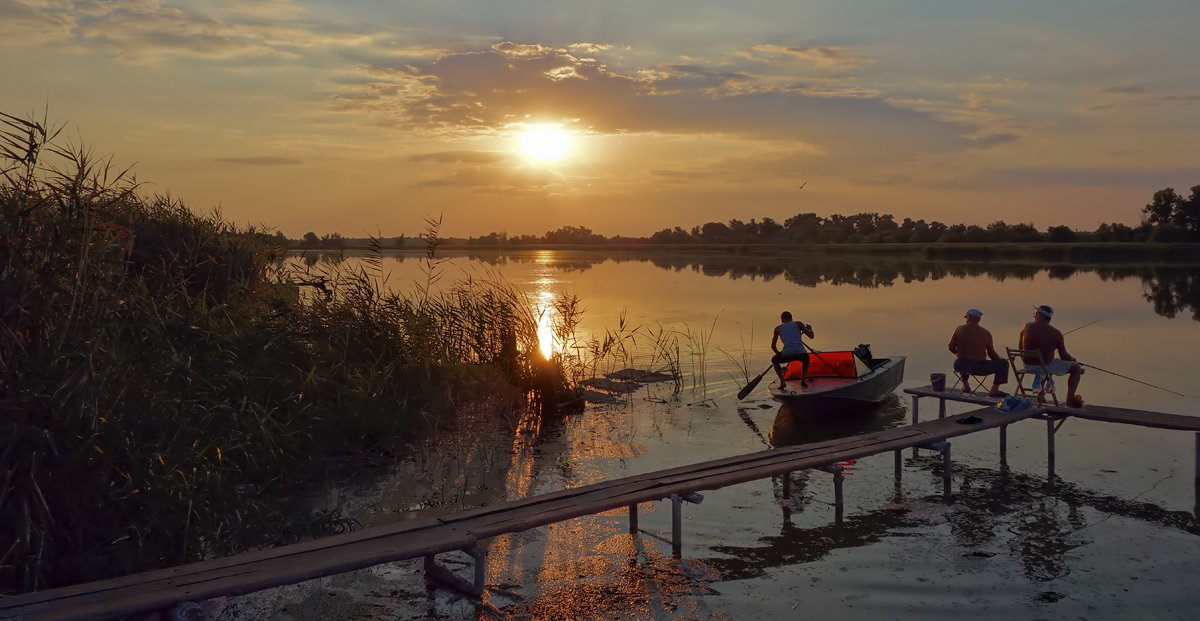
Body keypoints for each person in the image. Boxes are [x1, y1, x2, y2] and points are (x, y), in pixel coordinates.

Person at [1019, 304, 1084, 405]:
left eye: (1035, 313)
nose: (1034, 316)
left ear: (1040, 315)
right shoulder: (1056, 333)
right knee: (1076, 368)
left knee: (1048, 364)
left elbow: (1020, 348)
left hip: (1027, 365)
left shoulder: (1026, 326)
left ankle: (1040, 395)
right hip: (1044, 366)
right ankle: (1070, 399)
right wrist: (1073, 359)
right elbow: (1064, 356)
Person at [947, 308, 1008, 396]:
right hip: (978, 368)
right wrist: (1001, 359)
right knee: (1003, 363)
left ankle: (965, 385)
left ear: (969, 317)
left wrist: (959, 354)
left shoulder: (959, 329)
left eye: (966, 317)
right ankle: (994, 390)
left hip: (959, 365)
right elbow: (992, 355)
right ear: (979, 319)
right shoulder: (986, 333)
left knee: (962, 361)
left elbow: (951, 347)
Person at [771, 311, 815, 389]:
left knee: (774, 360)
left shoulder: (777, 329)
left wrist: (778, 353)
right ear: (791, 318)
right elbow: (811, 336)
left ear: (782, 319)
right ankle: (803, 380)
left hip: (786, 354)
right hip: (801, 353)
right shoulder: (798, 324)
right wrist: (810, 329)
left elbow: (773, 346)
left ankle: (782, 382)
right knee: (806, 359)